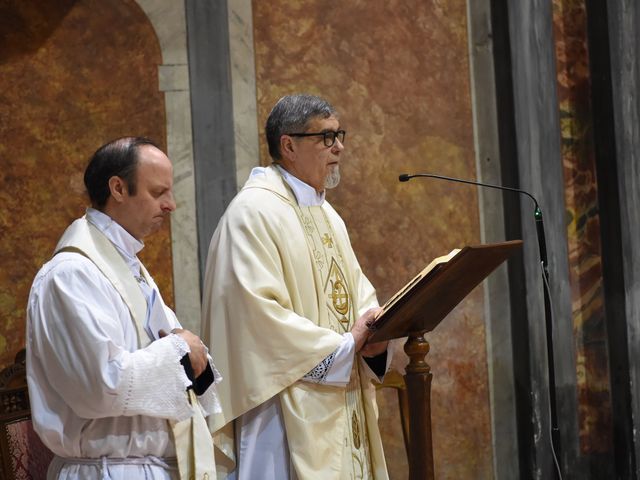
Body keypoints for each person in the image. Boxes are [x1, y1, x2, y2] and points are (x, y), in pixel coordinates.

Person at [201, 94, 399, 479]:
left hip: (342, 402)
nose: (338, 146)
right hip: (280, 414)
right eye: (325, 137)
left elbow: (358, 294)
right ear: (288, 145)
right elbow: (255, 321)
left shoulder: (327, 214)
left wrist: (375, 340)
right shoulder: (252, 214)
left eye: (339, 135)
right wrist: (344, 346)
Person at [26, 137, 220, 480]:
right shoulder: (71, 274)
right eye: (158, 193)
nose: (171, 204)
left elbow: (176, 355)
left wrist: (192, 357)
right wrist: (180, 348)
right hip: (108, 470)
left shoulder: (129, 268)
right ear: (118, 187)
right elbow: (102, 383)